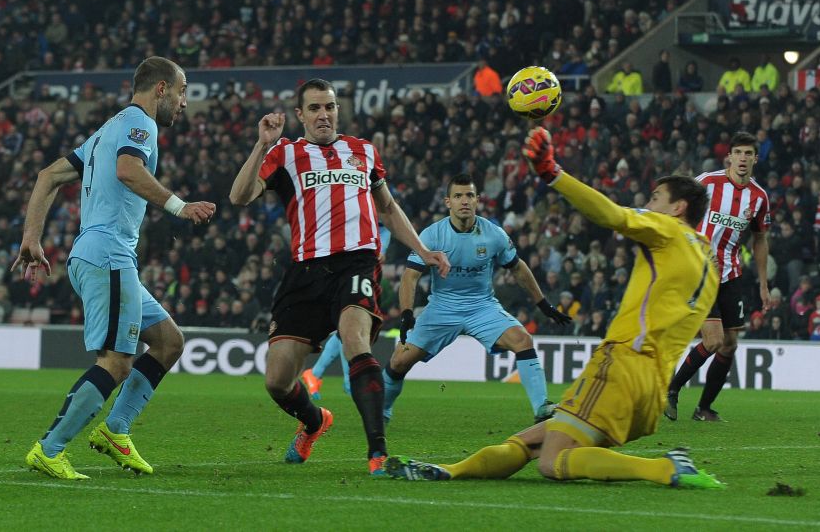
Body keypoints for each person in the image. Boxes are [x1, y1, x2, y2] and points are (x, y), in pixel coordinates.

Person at [386, 127, 723, 490]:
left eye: (656, 198)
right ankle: (450, 471)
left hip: (623, 365)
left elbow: (614, 216)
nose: (649, 203)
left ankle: (665, 468)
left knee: (553, 462)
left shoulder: (667, 228)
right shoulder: (709, 260)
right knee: (530, 442)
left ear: (678, 208)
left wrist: (552, 173)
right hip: (652, 389)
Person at [228, 78, 450, 475]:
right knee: (277, 381)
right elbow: (240, 196)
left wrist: (422, 251)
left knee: (355, 341)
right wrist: (262, 144)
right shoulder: (285, 153)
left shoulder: (363, 151)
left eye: (329, 106)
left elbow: (388, 208)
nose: (324, 114)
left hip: (357, 264)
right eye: (314, 108)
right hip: (305, 272)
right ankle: (315, 422)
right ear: (300, 115)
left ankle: (377, 454)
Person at [15, 57, 216, 480]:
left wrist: (31, 236)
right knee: (117, 362)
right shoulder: (139, 124)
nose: (184, 103)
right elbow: (128, 170)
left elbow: (47, 175)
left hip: (101, 254)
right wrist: (179, 206)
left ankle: (115, 430)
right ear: (161, 88)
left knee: (168, 342)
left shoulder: (108, 128)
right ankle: (49, 449)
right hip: (108, 255)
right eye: (182, 92)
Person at [386, 173, 571, 424]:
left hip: (481, 306)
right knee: (398, 362)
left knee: (523, 340)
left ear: (477, 200)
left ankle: (541, 408)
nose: (464, 201)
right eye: (458, 196)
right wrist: (407, 313)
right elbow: (410, 277)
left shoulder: (493, 234)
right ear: (447, 202)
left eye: (469, 195)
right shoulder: (431, 236)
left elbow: (518, 268)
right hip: (442, 307)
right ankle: (383, 411)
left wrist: (543, 303)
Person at [665, 131, 771, 422]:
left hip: (730, 273)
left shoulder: (759, 197)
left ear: (755, 159)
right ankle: (671, 389)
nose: (743, 158)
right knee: (712, 340)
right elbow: (676, 212)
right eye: (738, 152)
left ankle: (704, 409)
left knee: (730, 343)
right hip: (698, 272)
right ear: (729, 157)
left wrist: (763, 283)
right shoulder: (707, 183)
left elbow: (760, 239)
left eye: (749, 153)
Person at [301, 224, 392, 399]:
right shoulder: (358, 216)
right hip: (347, 273)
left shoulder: (383, 226)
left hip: (365, 274)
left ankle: (316, 374)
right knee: (349, 327)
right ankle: (347, 381)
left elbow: (381, 254)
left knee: (346, 330)